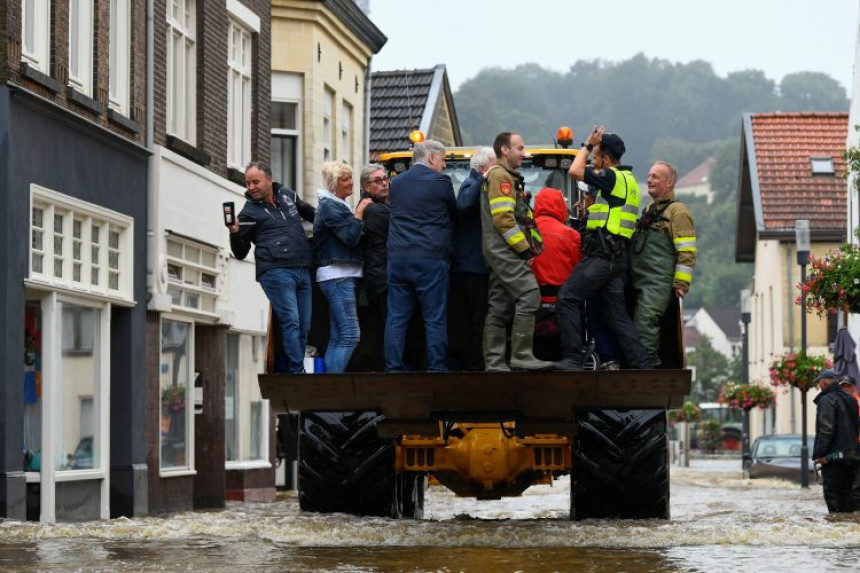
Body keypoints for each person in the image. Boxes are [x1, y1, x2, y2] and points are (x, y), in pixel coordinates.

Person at [555, 126, 651, 371]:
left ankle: (573, 359)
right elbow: (611, 212)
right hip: (617, 259)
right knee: (617, 315)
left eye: (596, 157)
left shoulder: (610, 177)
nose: (593, 162)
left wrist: (587, 144)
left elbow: (575, 171)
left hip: (601, 256)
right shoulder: (628, 180)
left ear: (606, 159)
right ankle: (642, 365)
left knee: (567, 296)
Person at [229, 162, 312, 373]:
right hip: (275, 271)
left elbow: (310, 213)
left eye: (255, 182)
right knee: (291, 320)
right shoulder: (248, 214)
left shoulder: (287, 195)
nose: (251, 187)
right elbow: (240, 252)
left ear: (269, 179)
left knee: (304, 325)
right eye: (248, 183)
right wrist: (234, 231)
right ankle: (296, 371)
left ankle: (296, 367)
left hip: (302, 267)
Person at [480, 132, 553, 371]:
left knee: (499, 308)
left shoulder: (502, 176)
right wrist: (525, 251)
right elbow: (504, 220)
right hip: (505, 250)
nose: (524, 153)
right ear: (504, 150)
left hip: (498, 249)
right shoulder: (501, 176)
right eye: (520, 148)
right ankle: (521, 356)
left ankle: (495, 363)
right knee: (530, 295)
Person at [385, 140, 456, 372]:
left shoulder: (395, 183)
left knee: (396, 318)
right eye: (443, 159)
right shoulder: (441, 182)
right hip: (429, 258)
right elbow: (454, 212)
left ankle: (393, 368)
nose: (444, 166)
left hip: (397, 258)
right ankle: (436, 369)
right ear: (432, 158)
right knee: (434, 318)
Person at [630, 161, 697, 367]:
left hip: (658, 282)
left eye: (655, 177)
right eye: (649, 176)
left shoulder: (678, 212)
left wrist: (681, 283)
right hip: (638, 279)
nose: (649, 180)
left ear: (669, 183)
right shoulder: (650, 210)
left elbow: (687, 251)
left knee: (645, 321)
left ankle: (648, 367)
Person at [313, 162, 372, 373]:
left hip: (339, 275)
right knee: (350, 335)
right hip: (338, 276)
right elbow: (350, 237)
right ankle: (332, 390)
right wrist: (360, 213)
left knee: (338, 337)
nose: (351, 182)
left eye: (350, 178)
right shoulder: (331, 206)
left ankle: (328, 389)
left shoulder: (336, 204)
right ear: (332, 183)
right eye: (345, 179)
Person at [448, 146, 495, 371]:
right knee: (474, 319)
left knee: (477, 318)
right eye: (495, 166)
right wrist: (481, 179)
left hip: (475, 264)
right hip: (471, 266)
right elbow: (464, 204)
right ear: (484, 168)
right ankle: (473, 365)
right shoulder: (471, 183)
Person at [349, 163, 391, 372]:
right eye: (378, 181)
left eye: (385, 178)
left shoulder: (376, 206)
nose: (384, 183)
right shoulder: (375, 211)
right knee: (387, 324)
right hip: (381, 276)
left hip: (380, 273)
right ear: (366, 187)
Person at [531, 187, 581, 361]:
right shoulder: (572, 235)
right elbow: (578, 269)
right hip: (562, 302)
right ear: (559, 206)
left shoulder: (527, 231)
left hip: (533, 301)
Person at [813, 369, 860, 513]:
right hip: (852, 458)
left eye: (819, 384)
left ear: (824, 382)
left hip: (833, 460)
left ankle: (838, 531)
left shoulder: (826, 400)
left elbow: (826, 430)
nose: (819, 387)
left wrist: (819, 454)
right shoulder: (851, 399)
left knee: (835, 505)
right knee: (849, 503)